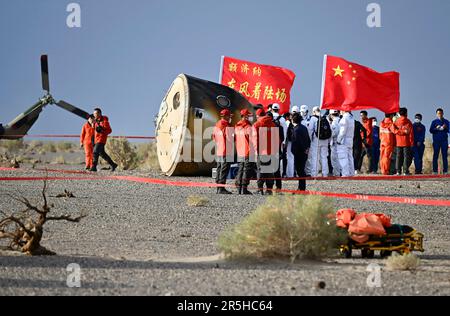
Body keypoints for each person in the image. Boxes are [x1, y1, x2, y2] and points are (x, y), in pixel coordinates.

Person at [252, 109, 277, 195]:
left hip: (261, 151)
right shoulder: (272, 124)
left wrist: (255, 151)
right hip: (271, 151)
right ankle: (269, 190)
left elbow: (255, 139)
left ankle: (260, 189)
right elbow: (276, 139)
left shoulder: (256, 125)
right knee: (269, 170)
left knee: (260, 170)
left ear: (258, 116)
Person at [213, 109, 233, 194]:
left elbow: (213, 137)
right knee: (224, 169)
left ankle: (218, 187)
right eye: (229, 116)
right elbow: (230, 138)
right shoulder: (227, 125)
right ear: (226, 116)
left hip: (219, 150)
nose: (229, 118)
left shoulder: (217, 124)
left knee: (219, 168)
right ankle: (221, 188)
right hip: (226, 150)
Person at [90, 108, 117, 172]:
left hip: (101, 139)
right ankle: (113, 165)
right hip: (96, 139)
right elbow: (93, 130)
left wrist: (102, 130)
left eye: (96, 113)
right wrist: (92, 124)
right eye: (94, 114)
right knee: (102, 154)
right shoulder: (95, 121)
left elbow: (109, 130)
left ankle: (94, 167)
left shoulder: (105, 121)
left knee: (95, 152)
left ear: (99, 113)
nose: (94, 115)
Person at [234, 109, 253, 195]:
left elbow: (234, 138)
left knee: (240, 169)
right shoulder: (248, 127)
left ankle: (238, 188)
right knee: (246, 170)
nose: (249, 117)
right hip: (247, 151)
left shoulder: (236, 126)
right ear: (244, 116)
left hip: (240, 151)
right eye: (248, 116)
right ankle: (244, 189)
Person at [291, 113, 311, 191]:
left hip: (299, 153)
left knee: (300, 171)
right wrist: (307, 149)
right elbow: (308, 140)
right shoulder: (304, 128)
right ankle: (301, 187)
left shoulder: (296, 129)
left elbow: (296, 142)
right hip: (304, 152)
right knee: (302, 170)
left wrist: (294, 151)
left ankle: (301, 188)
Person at [392, 107, 414, 175]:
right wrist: (411, 142)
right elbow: (411, 133)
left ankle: (398, 171)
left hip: (398, 142)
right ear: (406, 113)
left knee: (398, 157)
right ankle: (405, 171)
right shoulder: (408, 121)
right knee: (406, 157)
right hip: (406, 142)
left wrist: (399, 132)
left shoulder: (396, 121)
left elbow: (393, 130)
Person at [309, 106, 330, 177]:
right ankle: (325, 173)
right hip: (325, 140)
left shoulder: (313, 119)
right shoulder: (325, 118)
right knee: (324, 157)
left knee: (315, 157)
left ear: (314, 111)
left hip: (316, 140)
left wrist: (309, 140)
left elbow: (310, 130)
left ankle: (314, 173)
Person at [271, 103, 287, 191]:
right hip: (278, 144)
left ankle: (269, 186)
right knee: (277, 166)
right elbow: (285, 131)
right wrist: (284, 142)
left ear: (272, 109)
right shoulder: (282, 119)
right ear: (279, 109)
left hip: (268, 145)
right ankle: (278, 186)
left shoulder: (268, 117)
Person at [429, 108, 449, 174]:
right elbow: (431, 130)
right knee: (435, 156)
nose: (439, 114)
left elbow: (449, 130)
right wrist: (436, 128)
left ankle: (445, 171)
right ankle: (435, 171)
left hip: (444, 141)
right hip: (436, 141)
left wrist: (445, 128)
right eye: (438, 113)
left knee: (444, 156)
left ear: (443, 113)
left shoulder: (446, 121)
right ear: (436, 114)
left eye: (440, 113)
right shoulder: (434, 122)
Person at [337, 111, 355, 177]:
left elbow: (342, 131)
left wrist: (338, 140)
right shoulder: (351, 118)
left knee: (343, 157)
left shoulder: (344, 118)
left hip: (343, 141)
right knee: (350, 157)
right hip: (350, 140)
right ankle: (351, 172)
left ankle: (345, 174)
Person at [329, 110, 341, 176]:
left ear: (331, 115)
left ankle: (337, 173)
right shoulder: (341, 120)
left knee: (334, 159)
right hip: (341, 143)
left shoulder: (334, 122)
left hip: (335, 143)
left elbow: (334, 133)